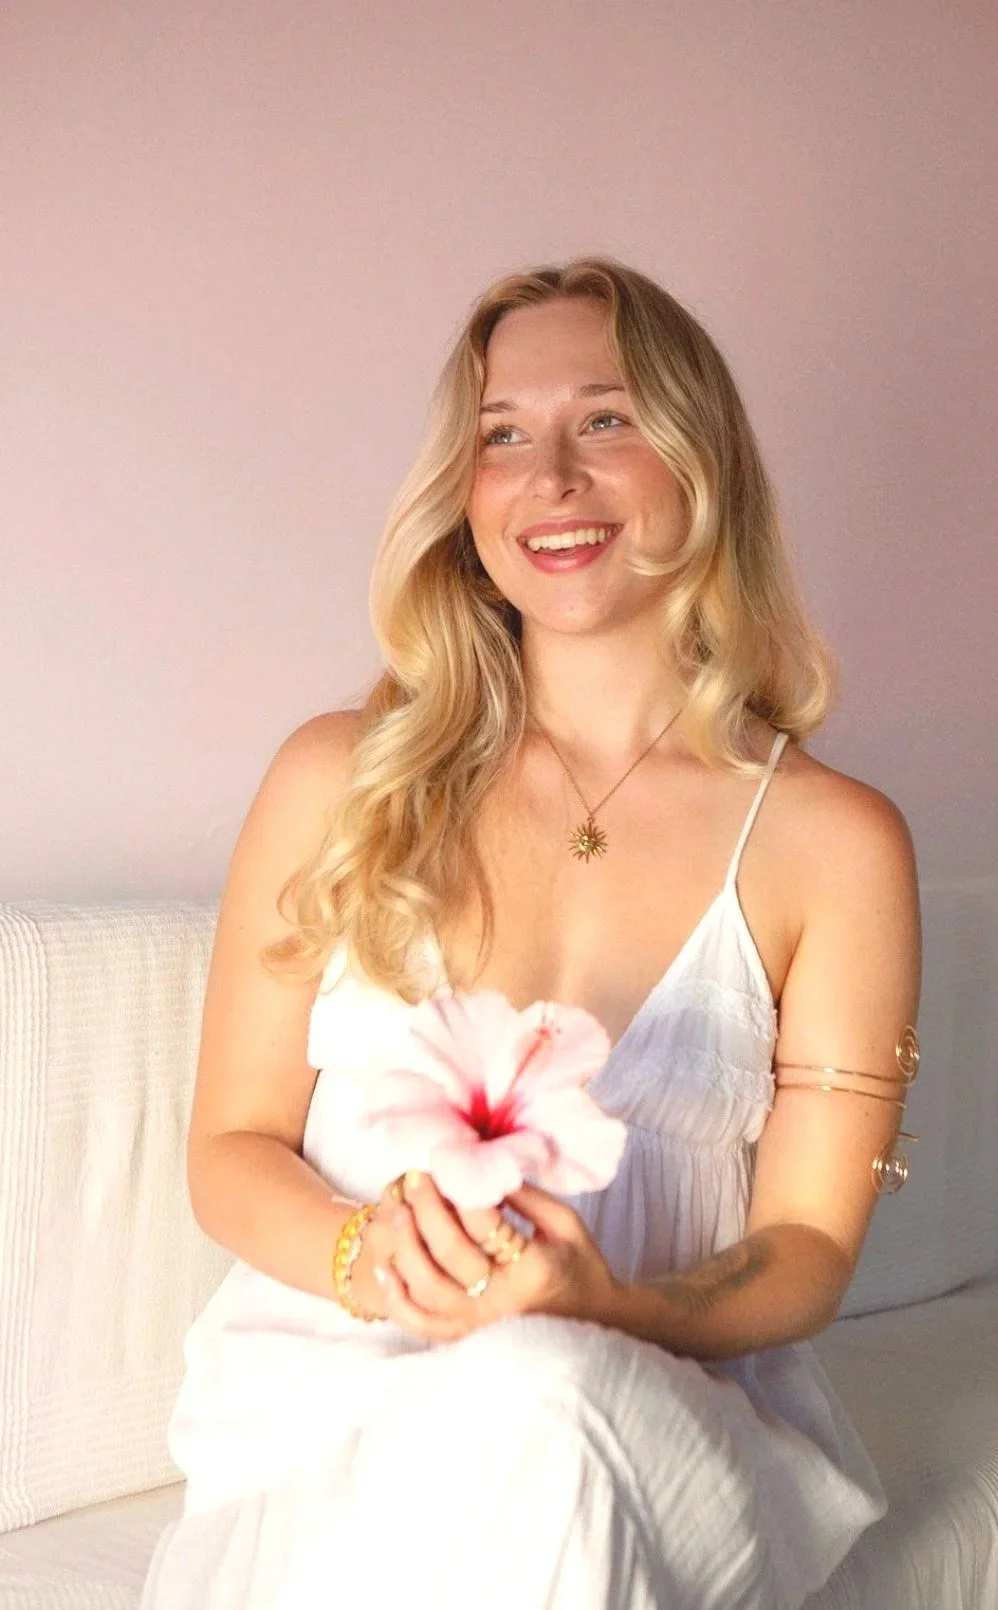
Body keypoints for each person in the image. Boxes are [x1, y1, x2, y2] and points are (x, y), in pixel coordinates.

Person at [141, 258, 921, 1610]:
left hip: (651, 1417)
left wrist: (604, 1308)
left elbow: (806, 1248)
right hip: (329, 1424)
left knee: (542, 1393)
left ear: (704, 458)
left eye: (605, 421)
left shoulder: (833, 842)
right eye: (503, 434)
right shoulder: (339, 776)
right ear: (464, 487)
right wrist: (356, 1250)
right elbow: (228, 1148)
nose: (549, 477)